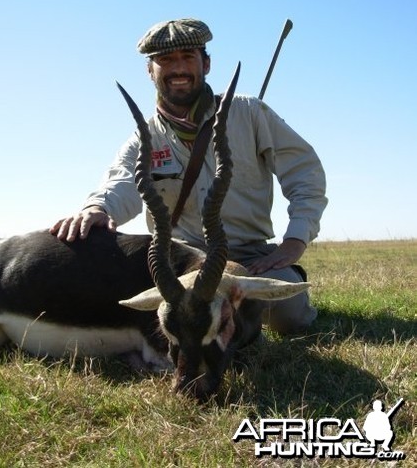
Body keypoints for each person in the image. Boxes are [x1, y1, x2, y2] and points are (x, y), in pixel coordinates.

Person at [50, 18, 328, 334]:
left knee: (290, 316)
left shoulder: (248, 112)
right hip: (179, 260)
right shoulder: (145, 138)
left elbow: (304, 171)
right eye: (165, 60)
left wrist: (294, 241)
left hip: (249, 255)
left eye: (188, 57)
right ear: (150, 70)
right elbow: (121, 181)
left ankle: (251, 303)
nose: (178, 68)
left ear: (206, 63)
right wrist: (97, 208)